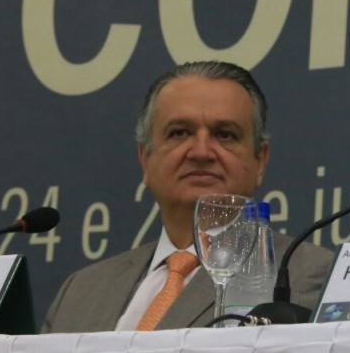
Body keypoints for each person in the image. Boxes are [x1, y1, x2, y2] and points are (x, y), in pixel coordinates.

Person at [41, 61, 334, 333]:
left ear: (261, 160)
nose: (201, 152)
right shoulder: (80, 291)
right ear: (145, 158)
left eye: (225, 134)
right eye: (180, 133)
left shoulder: (308, 276)